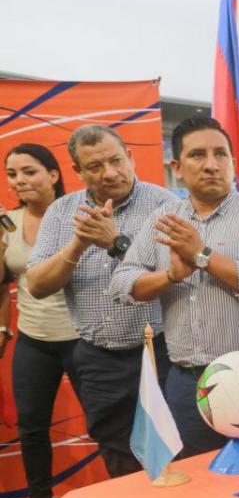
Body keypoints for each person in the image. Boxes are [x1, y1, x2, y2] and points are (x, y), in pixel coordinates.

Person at [110, 116, 239, 456]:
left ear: (233, 163)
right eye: (197, 155)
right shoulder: (163, 220)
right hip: (188, 379)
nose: (211, 165)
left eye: (221, 154)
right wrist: (170, 276)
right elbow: (122, 284)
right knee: (199, 483)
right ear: (177, 166)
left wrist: (202, 255)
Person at [25, 125, 174, 478]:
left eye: (116, 160)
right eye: (94, 167)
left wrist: (115, 242)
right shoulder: (62, 212)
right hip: (97, 357)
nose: (109, 173)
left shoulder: (167, 205)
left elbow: (175, 277)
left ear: (131, 157)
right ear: (77, 171)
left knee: (170, 450)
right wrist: (77, 245)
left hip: (160, 352)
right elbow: (37, 285)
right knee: (116, 452)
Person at [2, 144, 80, 498]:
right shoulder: (7, 223)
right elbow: (3, 283)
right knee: (31, 426)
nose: (20, 181)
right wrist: (2, 327)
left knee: (108, 426)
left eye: (29, 171)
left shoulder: (79, 213)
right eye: (13, 174)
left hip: (85, 335)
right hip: (34, 337)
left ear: (53, 174)